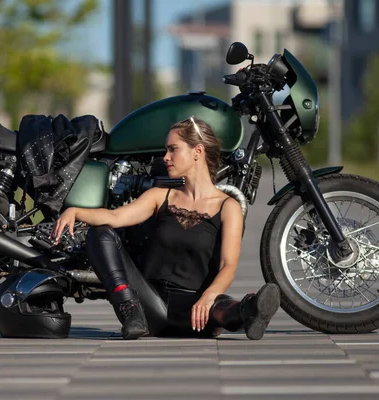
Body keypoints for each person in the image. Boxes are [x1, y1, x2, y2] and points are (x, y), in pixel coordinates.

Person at [51, 116, 280, 340]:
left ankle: (250, 310)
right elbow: (115, 217)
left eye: (173, 149)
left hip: (195, 312)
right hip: (148, 306)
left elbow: (228, 266)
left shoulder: (228, 207)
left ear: (197, 152)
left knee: (222, 307)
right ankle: (127, 307)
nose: (165, 158)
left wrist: (208, 296)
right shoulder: (160, 196)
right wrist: (76, 211)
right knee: (100, 232)